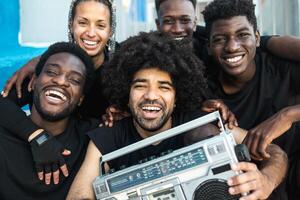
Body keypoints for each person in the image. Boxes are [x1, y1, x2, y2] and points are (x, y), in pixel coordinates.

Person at [67, 31, 287, 200]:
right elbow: (79, 195)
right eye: (140, 86)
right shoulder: (109, 137)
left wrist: (266, 180)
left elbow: (276, 153)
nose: (151, 96)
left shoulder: (200, 123)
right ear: (126, 92)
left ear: (177, 95)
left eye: (164, 87)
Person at [202, 0, 300, 199]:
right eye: (220, 39)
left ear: (257, 38)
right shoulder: (205, 89)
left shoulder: (283, 69)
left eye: (242, 35)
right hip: (252, 187)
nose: (232, 46)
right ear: (209, 47)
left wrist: (287, 115)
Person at [0, 42, 100, 199]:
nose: (60, 81)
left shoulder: (93, 137)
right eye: (52, 72)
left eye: (74, 80)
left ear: (81, 99)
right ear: (33, 82)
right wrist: (38, 137)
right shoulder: (4, 133)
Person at [2, 0, 116, 118]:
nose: (91, 33)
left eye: (100, 25)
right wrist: (32, 132)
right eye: (83, 23)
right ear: (71, 25)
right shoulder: (48, 65)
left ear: (110, 30)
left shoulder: (122, 66)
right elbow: (3, 105)